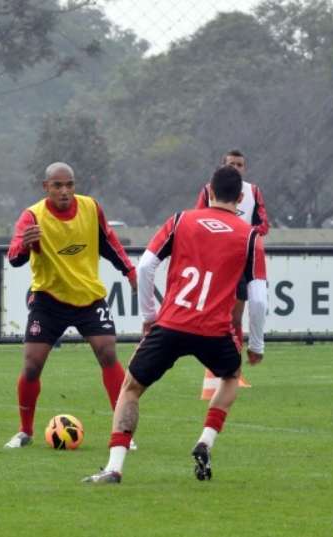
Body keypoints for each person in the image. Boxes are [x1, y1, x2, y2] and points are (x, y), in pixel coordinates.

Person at [83, 165, 267, 484]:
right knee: (230, 376)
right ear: (239, 197)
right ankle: (205, 441)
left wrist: (149, 317)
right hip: (215, 331)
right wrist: (256, 345)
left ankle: (114, 468)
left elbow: (144, 268)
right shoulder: (250, 237)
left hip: (172, 324)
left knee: (130, 389)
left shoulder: (181, 220)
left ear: (208, 190)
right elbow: (259, 298)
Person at [4, 162, 138, 448]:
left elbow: (109, 243)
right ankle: (24, 431)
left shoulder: (90, 208)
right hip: (48, 300)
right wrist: (25, 246)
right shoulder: (32, 217)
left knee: (108, 353)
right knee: (31, 366)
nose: (65, 191)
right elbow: (14, 257)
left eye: (69, 185)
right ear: (46, 187)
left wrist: (130, 271)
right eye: (57, 186)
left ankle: (122, 433)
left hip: (88, 297)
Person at [194, 149, 269, 358]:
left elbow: (263, 224)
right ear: (222, 167)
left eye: (239, 165)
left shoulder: (252, 192)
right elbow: (198, 219)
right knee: (215, 316)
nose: (235, 168)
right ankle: (214, 361)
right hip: (215, 261)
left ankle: (232, 362)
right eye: (231, 164)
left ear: (245, 168)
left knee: (235, 317)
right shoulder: (209, 190)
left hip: (240, 259)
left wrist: (243, 235)